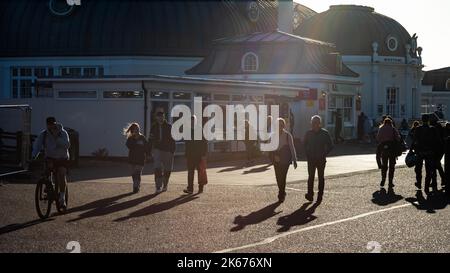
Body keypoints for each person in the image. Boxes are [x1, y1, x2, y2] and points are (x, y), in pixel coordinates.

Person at [32, 117, 70, 209]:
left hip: (62, 158)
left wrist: (57, 138)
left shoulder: (63, 133)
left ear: (55, 123)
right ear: (47, 125)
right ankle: (49, 187)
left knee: (61, 174)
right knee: (46, 172)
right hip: (50, 158)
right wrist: (33, 156)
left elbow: (67, 145)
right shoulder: (44, 134)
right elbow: (37, 145)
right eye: (49, 125)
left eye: (52, 124)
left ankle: (62, 197)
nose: (51, 126)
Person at [303, 115, 333, 202]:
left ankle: (320, 195)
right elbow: (304, 144)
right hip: (311, 159)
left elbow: (331, 145)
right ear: (311, 124)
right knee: (311, 177)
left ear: (320, 124)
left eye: (316, 123)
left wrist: (324, 154)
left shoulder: (325, 133)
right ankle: (310, 194)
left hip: (321, 159)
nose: (314, 124)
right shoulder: (308, 133)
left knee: (321, 177)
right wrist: (307, 153)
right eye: (313, 123)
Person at [411, 114, 442, 195]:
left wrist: (412, 150)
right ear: (428, 120)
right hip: (429, 152)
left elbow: (414, 141)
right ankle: (426, 187)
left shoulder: (418, 129)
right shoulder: (432, 129)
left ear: (422, 120)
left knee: (418, 169)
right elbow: (437, 141)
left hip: (420, 152)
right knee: (428, 171)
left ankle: (418, 183)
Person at [149, 107, 176, 194]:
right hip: (157, 150)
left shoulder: (169, 127)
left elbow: (173, 140)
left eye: (162, 116)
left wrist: (172, 151)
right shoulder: (153, 127)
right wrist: (149, 151)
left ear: (164, 117)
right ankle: (158, 186)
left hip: (168, 150)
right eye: (158, 116)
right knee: (157, 168)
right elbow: (150, 139)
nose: (160, 117)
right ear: (156, 117)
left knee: (167, 169)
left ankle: (165, 185)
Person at [271, 118, 297, 203]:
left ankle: (281, 194)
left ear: (284, 126)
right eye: (278, 125)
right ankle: (282, 191)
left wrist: (294, 160)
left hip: (285, 159)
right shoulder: (273, 135)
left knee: (283, 176)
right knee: (278, 177)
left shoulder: (287, 135)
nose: (280, 126)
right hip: (276, 158)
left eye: (282, 125)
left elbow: (292, 148)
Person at [184, 115, 208, 194]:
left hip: (199, 155)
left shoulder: (200, 129)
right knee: (190, 172)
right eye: (191, 120)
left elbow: (204, 142)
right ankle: (190, 188)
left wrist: (204, 154)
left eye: (193, 120)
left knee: (200, 171)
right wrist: (186, 154)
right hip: (190, 155)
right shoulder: (187, 130)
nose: (192, 122)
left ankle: (200, 188)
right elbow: (187, 144)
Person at [376, 117, 400, 190]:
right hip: (392, 149)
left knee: (384, 166)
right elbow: (398, 138)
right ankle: (390, 182)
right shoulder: (393, 129)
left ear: (384, 122)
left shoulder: (381, 128)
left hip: (384, 149)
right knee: (392, 166)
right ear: (390, 123)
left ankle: (383, 179)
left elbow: (378, 138)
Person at [124, 123, 148, 193]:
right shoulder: (130, 138)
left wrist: (148, 154)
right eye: (135, 129)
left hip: (140, 159)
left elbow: (147, 147)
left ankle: (136, 186)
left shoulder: (142, 138)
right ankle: (136, 184)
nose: (137, 130)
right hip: (132, 158)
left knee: (137, 172)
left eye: (138, 129)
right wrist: (135, 141)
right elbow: (128, 146)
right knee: (133, 174)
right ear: (132, 131)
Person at [429, 114, 446, 188]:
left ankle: (436, 181)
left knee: (435, 165)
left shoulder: (433, 128)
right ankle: (442, 180)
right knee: (437, 165)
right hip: (440, 149)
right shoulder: (440, 127)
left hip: (435, 149)